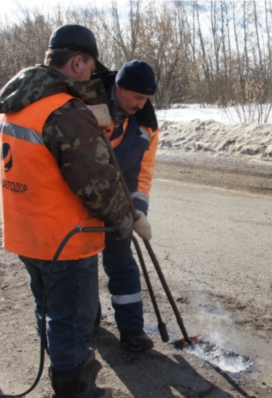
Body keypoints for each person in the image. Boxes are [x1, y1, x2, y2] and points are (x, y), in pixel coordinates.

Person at [0, 24, 133, 398]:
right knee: (71, 315)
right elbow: (95, 181)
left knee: (49, 306)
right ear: (77, 61)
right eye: (90, 66)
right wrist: (121, 218)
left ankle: (65, 360)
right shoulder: (63, 111)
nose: (91, 75)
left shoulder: (21, 103)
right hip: (64, 236)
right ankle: (70, 388)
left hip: (27, 232)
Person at [94, 60, 159, 352]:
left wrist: (137, 211)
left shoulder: (146, 125)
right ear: (118, 87)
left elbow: (141, 174)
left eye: (146, 99)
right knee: (80, 268)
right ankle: (86, 323)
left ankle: (132, 329)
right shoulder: (89, 104)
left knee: (123, 263)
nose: (141, 104)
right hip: (79, 199)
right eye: (136, 97)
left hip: (117, 202)